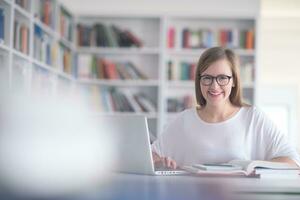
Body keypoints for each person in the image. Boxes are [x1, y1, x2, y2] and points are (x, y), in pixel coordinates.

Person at [151, 46, 300, 169]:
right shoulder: (185, 119)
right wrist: (158, 163)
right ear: (199, 80)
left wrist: (255, 168)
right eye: (207, 78)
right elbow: (150, 156)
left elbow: (293, 161)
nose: (214, 86)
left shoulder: (252, 117)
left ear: (234, 81)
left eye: (222, 78)